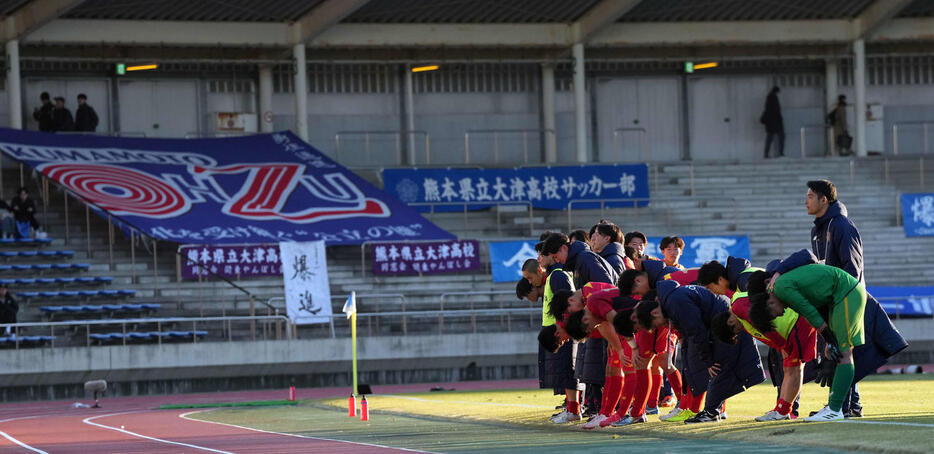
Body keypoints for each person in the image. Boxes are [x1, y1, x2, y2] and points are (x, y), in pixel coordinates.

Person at [636, 281, 765, 424]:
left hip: (726, 324)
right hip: (721, 321)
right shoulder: (672, 299)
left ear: (654, 312)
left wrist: (707, 360)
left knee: (717, 369)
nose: (662, 325)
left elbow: (697, 332)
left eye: (657, 323)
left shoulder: (676, 303)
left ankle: (711, 412)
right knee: (712, 368)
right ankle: (713, 410)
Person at [750, 263, 866, 422]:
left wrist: (828, 336)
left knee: (845, 352)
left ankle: (835, 409)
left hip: (846, 292)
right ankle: (834, 408)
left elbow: (809, 311)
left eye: (773, 315)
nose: (780, 314)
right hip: (840, 295)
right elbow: (816, 308)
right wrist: (827, 340)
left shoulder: (780, 288)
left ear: (769, 303)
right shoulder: (780, 291)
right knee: (842, 351)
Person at [803, 179, 864, 416]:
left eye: (810, 196)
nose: (805, 201)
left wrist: (839, 297)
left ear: (824, 199)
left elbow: (853, 269)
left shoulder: (841, 226)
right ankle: (849, 404)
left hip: (845, 298)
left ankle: (842, 406)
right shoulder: (818, 229)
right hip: (832, 300)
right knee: (837, 350)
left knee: (842, 351)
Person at [761, 86, 784, 158]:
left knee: (770, 138)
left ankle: (766, 154)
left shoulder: (770, 97)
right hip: (774, 123)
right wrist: (779, 119)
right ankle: (780, 153)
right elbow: (775, 110)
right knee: (780, 137)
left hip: (771, 123)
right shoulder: (772, 97)